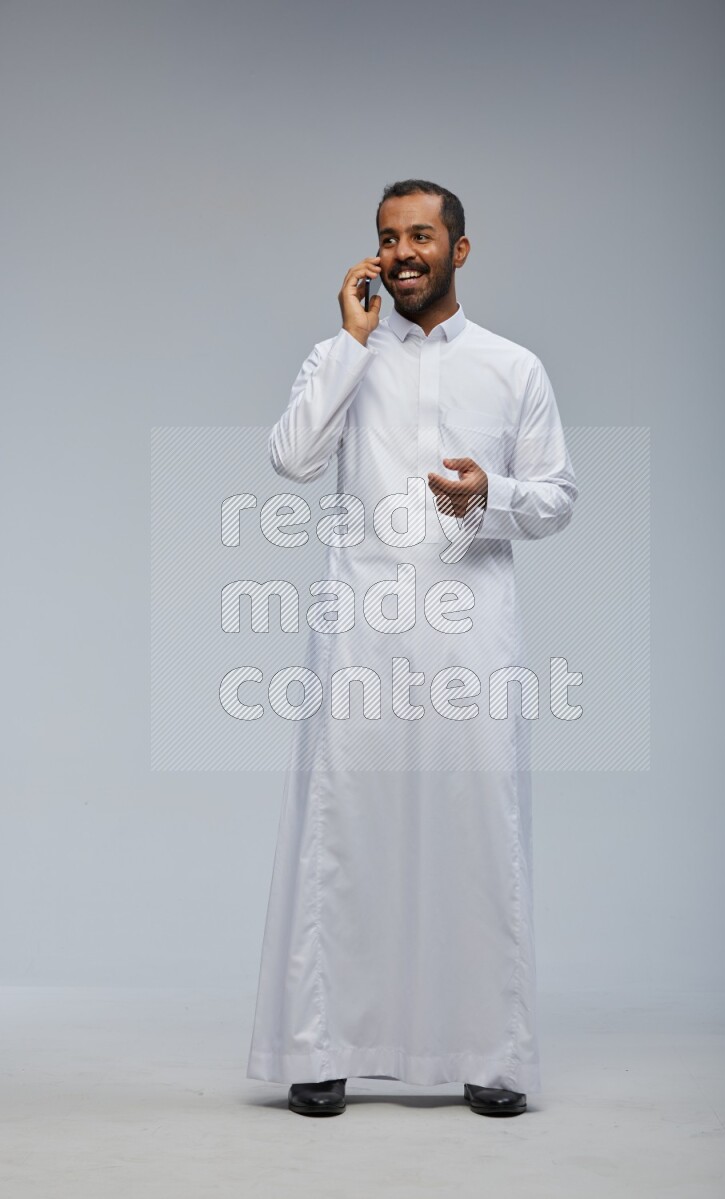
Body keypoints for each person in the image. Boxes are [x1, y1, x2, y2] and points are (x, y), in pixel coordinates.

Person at [247, 179, 578, 1117]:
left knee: (479, 828)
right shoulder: (342, 356)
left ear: (459, 251)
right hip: (360, 631)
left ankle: (491, 1056)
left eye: (422, 236)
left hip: (473, 632)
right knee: (344, 829)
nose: (403, 253)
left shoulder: (514, 369)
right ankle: (322, 1049)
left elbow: (556, 500)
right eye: (389, 237)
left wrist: (491, 496)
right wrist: (350, 345)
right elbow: (293, 458)